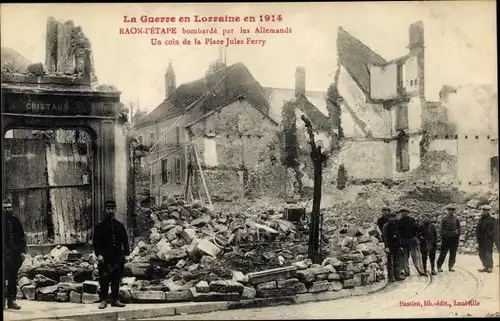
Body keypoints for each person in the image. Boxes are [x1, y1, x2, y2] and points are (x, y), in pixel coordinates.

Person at [93, 200, 130, 309]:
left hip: (117, 257)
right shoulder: (100, 226)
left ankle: (115, 300)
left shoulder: (120, 225)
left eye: (112, 209)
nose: (110, 211)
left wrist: (126, 254)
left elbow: (125, 240)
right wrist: (99, 255)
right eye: (108, 209)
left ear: (115, 210)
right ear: (105, 210)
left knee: (116, 279)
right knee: (104, 278)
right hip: (105, 257)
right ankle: (104, 300)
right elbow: (96, 242)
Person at [3, 198, 27, 310]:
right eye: (5, 208)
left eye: (9, 207)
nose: (7, 210)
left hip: (14, 255)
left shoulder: (15, 220)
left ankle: (11, 301)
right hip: (4, 255)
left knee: (12, 278)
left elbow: (22, 237)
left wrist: (22, 251)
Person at [396, 206, 426, 277]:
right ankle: (407, 272)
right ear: (401, 213)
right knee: (405, 257)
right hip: (404, 240)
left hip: (412, 240)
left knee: (416, 256)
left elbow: (417, 229)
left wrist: (416, 237)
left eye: (405, 212)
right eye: (403, 212)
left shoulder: (412, 220)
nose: (404, 213)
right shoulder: (398, 222)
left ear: (408, 213)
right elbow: (398, 232)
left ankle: (420, 271)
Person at [436, 204, 461, 272]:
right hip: (446, 239)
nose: (451, 211)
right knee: (443, 253)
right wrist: (444, 236)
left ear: (454, 211)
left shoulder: (456, 219)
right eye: (449, 210)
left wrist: (457, 235)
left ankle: (451, 266)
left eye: (452, 210)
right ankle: (439, 266)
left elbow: (459, 228)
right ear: (447, 211)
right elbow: (441, 229)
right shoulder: (444, 219)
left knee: (453, 253)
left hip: (454, 239)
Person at [382, 211, 405, 282]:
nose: (392, 218)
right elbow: (384, 237)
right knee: (390, 263)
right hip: (390, 247)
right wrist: (386, 247)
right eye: (391, 217)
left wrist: (400, 245)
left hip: (396, 246)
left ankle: (397, 275)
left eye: (393, 217)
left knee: (397, 262)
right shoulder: (386, 226)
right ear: (388, 218)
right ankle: (391, 277)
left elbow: (399, 236)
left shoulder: (396, 225)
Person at [476, 205, 496, 273]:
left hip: (488, 238)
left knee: (488, 252)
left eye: (487, 210)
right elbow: (477, 229)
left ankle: (490, 267)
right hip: (481, 239)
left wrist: (491, 234)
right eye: (484, 210)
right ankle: (485, 266)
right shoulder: (481, 219)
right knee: (481, 253)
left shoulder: (492, 219)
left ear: (489, 211)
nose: (485, 211)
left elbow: (495, 229)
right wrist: (478, 236)